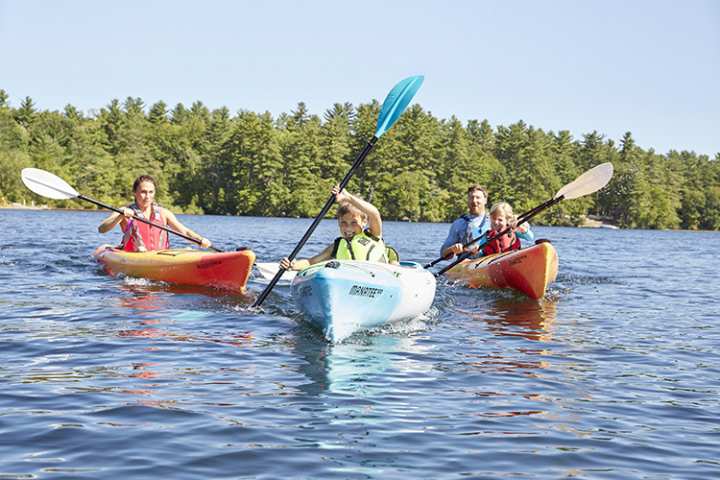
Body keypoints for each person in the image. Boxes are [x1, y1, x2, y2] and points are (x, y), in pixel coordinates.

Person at [280, 185, 392, 271]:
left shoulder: (373, 235)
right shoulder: (337, 246)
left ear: (364, 222)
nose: (348, 228)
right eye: (343, 223)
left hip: (377, 278)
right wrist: (292, 265)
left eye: (353, 223)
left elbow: (374, 214)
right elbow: (310, 262)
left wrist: (348, 198)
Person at [98, 175, 211, 252]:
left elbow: (185, 231)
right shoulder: (124, 211)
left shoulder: (164, 213)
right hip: (135, 256)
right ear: (135, 193)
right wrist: (120, 215)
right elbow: (102, 229)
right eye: (143, 192)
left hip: (159, 256)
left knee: (189, 250)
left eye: (151, 192)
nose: (147, 196)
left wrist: (200, 240)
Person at [439, 184, 533, 260]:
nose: (474, 200)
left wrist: (520, 224)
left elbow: (528, 234)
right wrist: (453, 249)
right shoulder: (459, 224)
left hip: (500, 260)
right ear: (467, 200)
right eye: (471, 197)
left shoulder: (500, 218)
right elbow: (443, 254)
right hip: (470, 263)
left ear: (485, 200)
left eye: (478, 197)